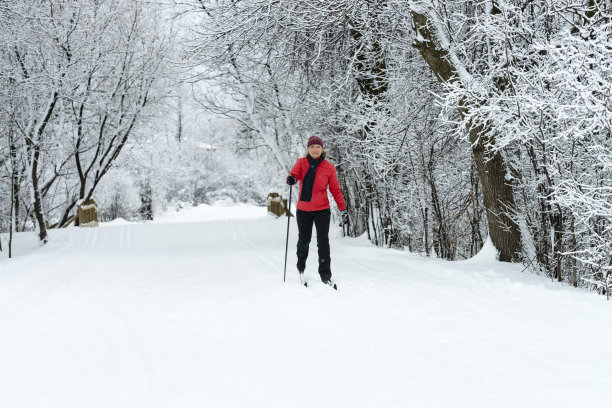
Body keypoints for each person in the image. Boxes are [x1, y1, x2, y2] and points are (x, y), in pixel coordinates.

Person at [286, 136, 348, 285]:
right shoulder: (302, 163)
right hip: (304, 210)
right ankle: (301, 269)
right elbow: (294, 174)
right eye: (312, 147)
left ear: (322, 149)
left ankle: (325, 275)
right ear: (308, 149)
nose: (315, 149)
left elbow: (335, 189)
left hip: (322, 210)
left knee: (323, 242)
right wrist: (292, 178)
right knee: (304, 240)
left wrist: (342, 209)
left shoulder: (328, 167)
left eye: (318, 147)